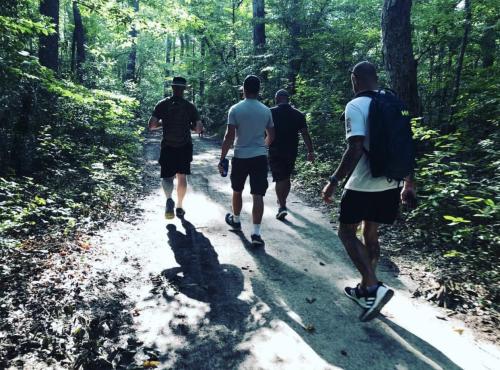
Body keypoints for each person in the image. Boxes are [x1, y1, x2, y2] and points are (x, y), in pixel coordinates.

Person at [321, 61, 416, 321]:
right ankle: (365, 289)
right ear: (376, 77)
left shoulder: (356, 105)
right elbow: (406, 145)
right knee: (371, 232)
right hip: (391, 181)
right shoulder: (393, 102)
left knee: (346, 231)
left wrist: (333, 180)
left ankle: (374, 285)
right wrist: (409, 182)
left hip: (363, 182)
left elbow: (355, 148)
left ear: (355, 79)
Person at [219, 75, 275, 246]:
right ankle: (256, 234)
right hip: (259, 157)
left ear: (243, 89)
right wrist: (262, 148)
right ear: (259, 90)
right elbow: (272, 136)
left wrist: (222, 158)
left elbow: (229, 137)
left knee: (237, 190)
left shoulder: (235, 109)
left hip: (240, 156)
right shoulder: (266, 110)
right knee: (258, 194)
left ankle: (236, 220)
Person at [149, 76, 203, 220]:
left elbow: (152, 125)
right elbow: (198, 129)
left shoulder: (162, 104)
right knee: (182, 176)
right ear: (184, 89)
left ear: (172, 88)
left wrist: (164, 122)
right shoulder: (190, 106)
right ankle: (179, 206)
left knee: (167, 177)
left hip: (167, 146)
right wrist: (189, 125)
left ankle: (168, 200)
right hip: (184, 146)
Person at [269, 89, 315, 220]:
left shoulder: (270, 112)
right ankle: (282, 202)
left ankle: (282, 206)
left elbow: (263, 132)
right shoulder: (298, 114)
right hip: (291, 151)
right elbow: (305, 133)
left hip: (275, 150)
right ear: (288, 99)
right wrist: (310, 151)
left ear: (276, 99)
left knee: (279, 178)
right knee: (286, 177)